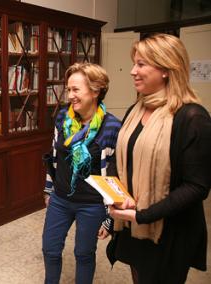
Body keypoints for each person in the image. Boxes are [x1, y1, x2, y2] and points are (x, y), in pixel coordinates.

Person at [108, 33, 211, 283]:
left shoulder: (192, 118)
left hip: (169, 231)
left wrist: (143, 215)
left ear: (167, 69)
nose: (132, 71)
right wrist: (117, 196)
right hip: (133, 223)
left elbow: (197, 187)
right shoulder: (136, 109)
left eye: (141, 64)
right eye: (134, 63)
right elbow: (120, 157)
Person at [42, 63, 121, 284]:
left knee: (84, 254)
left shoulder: (112, 126)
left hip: (92, 204)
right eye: (68, 90)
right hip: (60, 199)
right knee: (50, 249)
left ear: (95, 91)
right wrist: (49, 190)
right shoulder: (62, 119)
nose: (70, 96)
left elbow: (115, 176)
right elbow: (54, 156)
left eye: (75, 90)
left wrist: (109, 217)